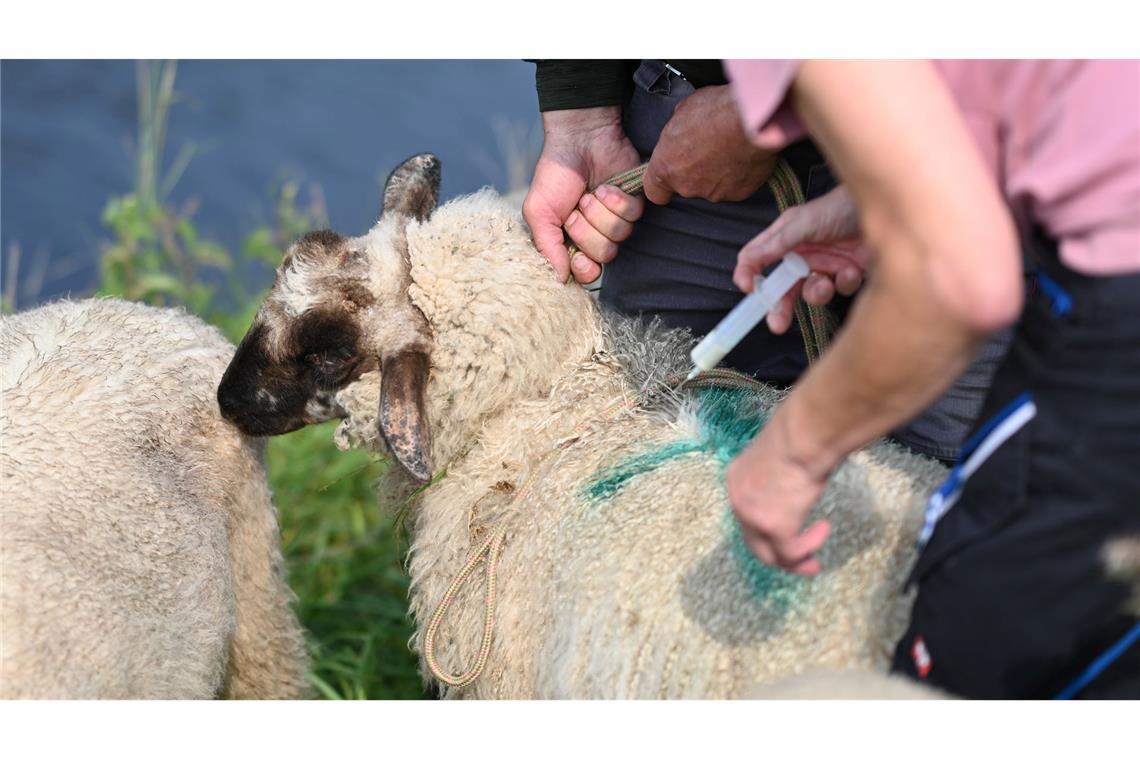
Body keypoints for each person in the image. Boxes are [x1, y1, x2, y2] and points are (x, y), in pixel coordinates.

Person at [723, 59, 1140, 698]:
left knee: (963, 691)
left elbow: (960, 282)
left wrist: (789, 453)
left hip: (1112, 314)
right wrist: (881, 201)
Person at [523, 60, 1011, 464]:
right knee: (650, 453)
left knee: (961, 484)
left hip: (964, 137)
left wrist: (757, 112)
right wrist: (581, 105)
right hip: (693, 144)